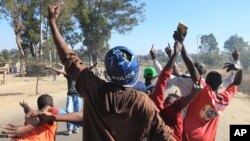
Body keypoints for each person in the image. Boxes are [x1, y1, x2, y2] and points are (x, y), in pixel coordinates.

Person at [2, 4, 176, 141]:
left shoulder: (94, 88)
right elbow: (164, 135)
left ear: (108, 72)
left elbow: (69, 59)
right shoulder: (143, 103)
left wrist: (52, 23)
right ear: (135, 71)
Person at [150, 33, 203, 141]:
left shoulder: (160, 110)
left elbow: (164, 76)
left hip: (185, 124)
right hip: (194, 126)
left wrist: (174, 54)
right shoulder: (207, 87)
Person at [44, 65, 83, 135]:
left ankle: (76, 128)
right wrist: (50, 67)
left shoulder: (80, 75)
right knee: (68, 111)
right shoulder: (69, 75)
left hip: (78, 96)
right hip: (70, 96)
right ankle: (69, 128)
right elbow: (60, 71)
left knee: (77, 112)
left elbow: (87, 71)